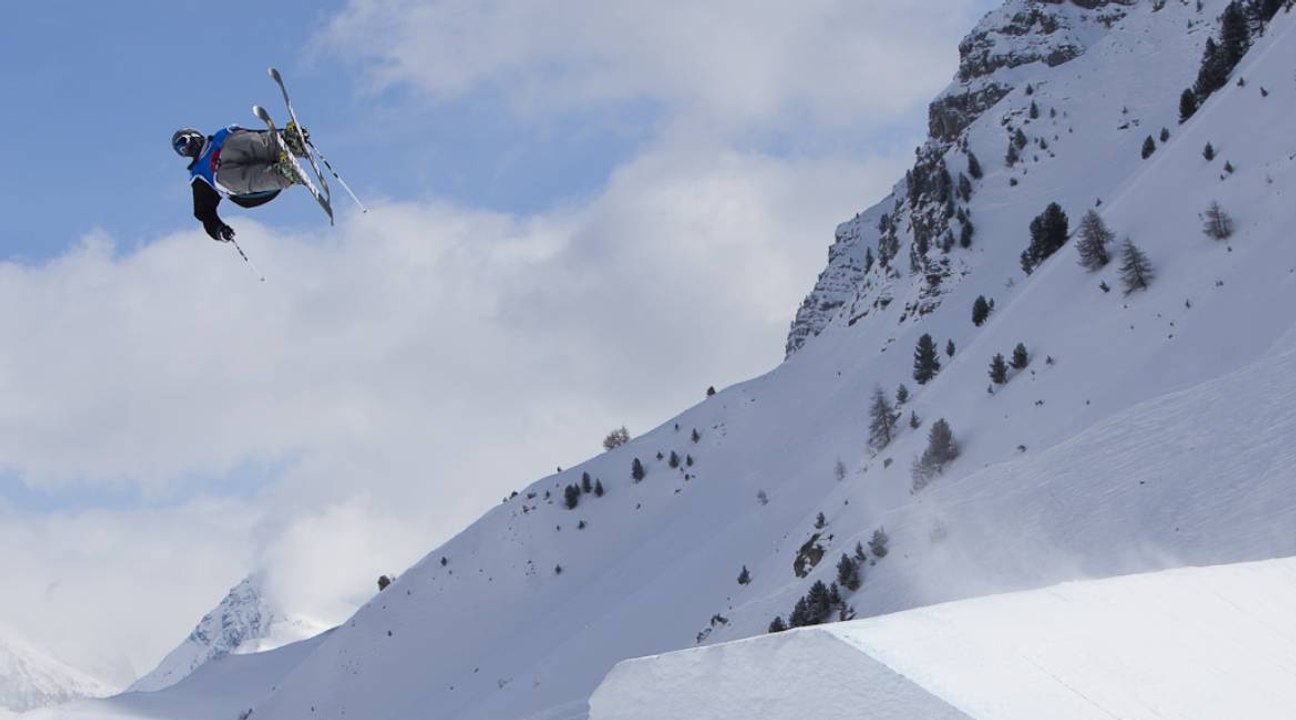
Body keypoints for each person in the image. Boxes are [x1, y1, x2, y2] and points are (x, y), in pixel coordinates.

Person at [172, 125, 308, 242]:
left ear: (195, 135)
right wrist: (218, 230)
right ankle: (283, 174)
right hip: (251, 192)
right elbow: (205, 213)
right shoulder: (199, 175)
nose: (186, 148)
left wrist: (283, 134)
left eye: (184, 142)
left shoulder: (222, 135)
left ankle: (290, 144)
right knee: (220, 177)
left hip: (258, 156)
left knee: (231, 143)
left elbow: (255, 136)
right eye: (182, 150)